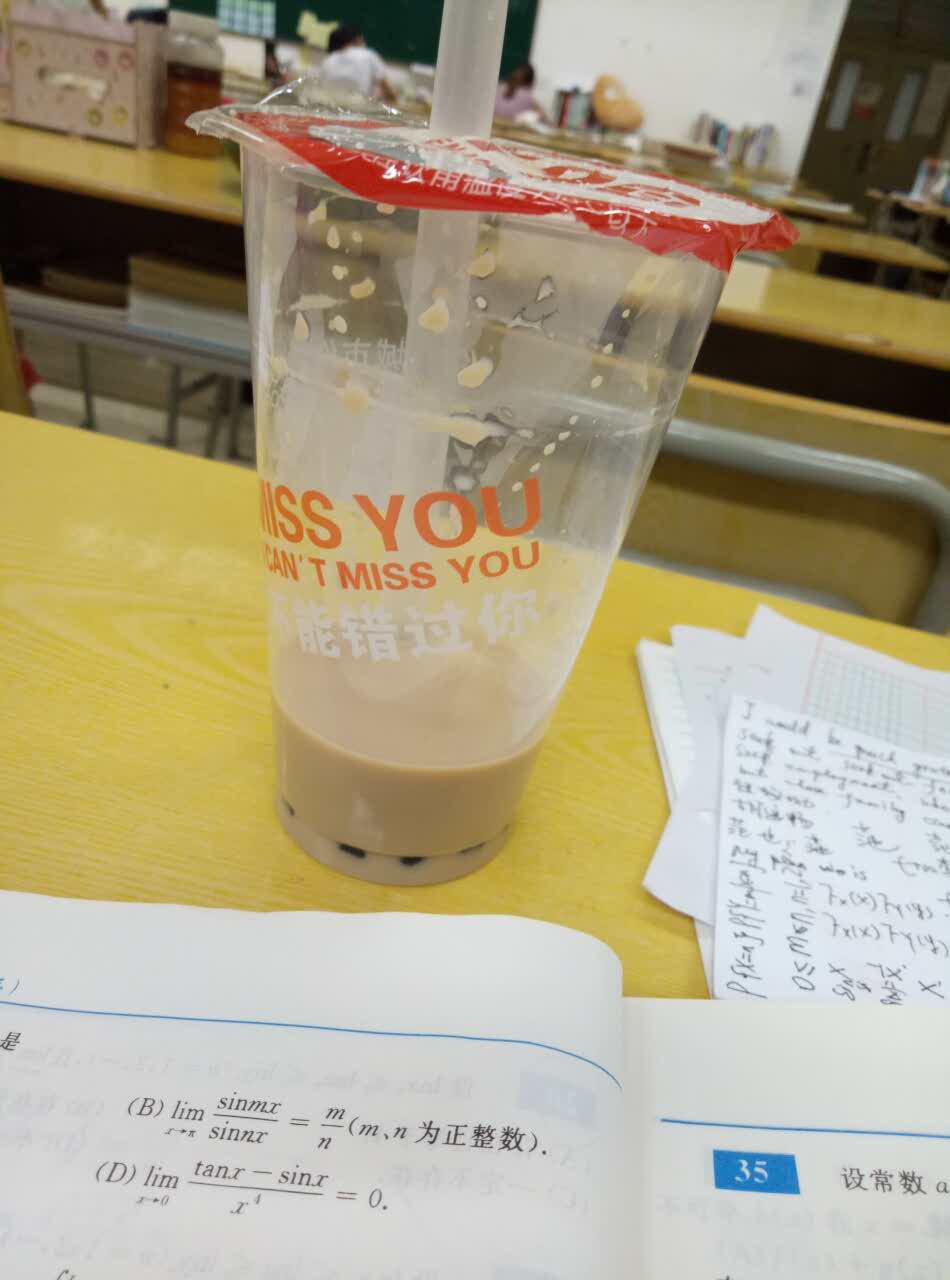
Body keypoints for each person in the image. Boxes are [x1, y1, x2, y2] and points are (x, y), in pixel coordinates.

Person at [318, 23, 397, 104]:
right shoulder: (368, 55)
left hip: (331, 103)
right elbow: (387, 89)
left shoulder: (328, 60)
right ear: (357, 39)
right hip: (361, 104)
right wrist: (396, 102)